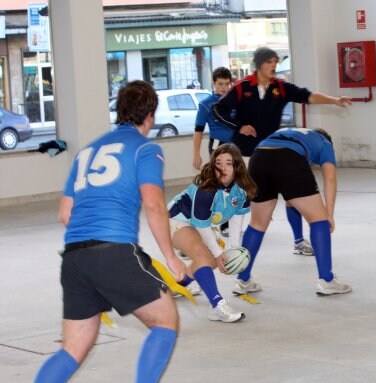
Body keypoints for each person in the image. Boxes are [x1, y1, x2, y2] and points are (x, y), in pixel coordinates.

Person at [35, 80, 187, 382]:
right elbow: (154, 204)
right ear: (150, 116)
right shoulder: (146, 148)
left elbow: (65, 213)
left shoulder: (87, 151)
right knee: (166, 321)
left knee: (72, 350)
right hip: (114, 251)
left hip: (75, 258)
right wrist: (171, 257)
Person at [213, 46, 352, 257]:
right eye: (269, 62)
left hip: (273, 151)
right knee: (240, 196)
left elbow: (308, 96)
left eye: (275, 62)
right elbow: (218, 109)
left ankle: (298, 240)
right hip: (248, 153)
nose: (273, 66)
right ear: (259, 64)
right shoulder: (242, 87)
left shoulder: (281, 88)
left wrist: (334, 100)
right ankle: (213, 230)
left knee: (290, 197)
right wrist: (239, 126)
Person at [231, 127, 352, 296]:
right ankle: (327, 280)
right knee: (319, 220)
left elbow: (290, 197)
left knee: (257, 224)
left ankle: (242, 280)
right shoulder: (325, 142)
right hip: (288, 158)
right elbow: (330, 178)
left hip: (258, 157)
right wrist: (328, 215)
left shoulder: (291, 131)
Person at [168, 143, 257, 322]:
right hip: (177, 219)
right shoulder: (206, 189)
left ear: (237, 166)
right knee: (204, 255)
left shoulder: (242, 190)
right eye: (218, 162)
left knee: (208, 262)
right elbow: (201, 226)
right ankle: (217, 305)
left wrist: (234, 250)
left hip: (203, 223)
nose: (222, 168)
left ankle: (178, 286)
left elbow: (235, 220)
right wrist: (218, 253)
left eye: (229, 163)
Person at [193, 67, 235, 171]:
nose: (224, 87)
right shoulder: (205, 104)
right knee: (219, 174)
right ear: (213, 83)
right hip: (216, 144)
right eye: (220, 84)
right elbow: (198, 131)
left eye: (227, 84)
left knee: (235, 175)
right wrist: (196, 155)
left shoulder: (235, 101)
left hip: (235, 143)